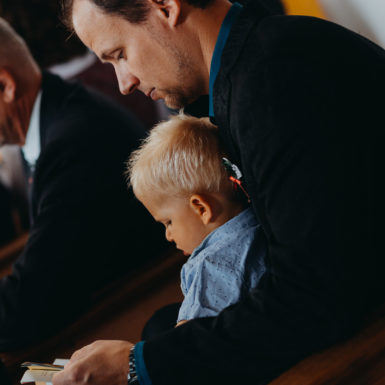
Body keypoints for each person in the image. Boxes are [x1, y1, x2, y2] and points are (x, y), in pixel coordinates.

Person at [55, 0, 385, 384]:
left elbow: (315, 294)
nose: (124, 82)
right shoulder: (249, 68)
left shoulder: (274, 76)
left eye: (119, 54)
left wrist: (137, 365)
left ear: (165, 6)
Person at [0, 18, 166, 350]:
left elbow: (28, 309)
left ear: (5, 85)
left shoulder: (73, 144)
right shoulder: (59, 114)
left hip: (142, 314)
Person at [127, 114, 266, 326]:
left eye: (168, 222)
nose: (168, 236)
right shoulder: (263, 220)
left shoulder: (210, 265)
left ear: (201, 207)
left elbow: (189, 340)